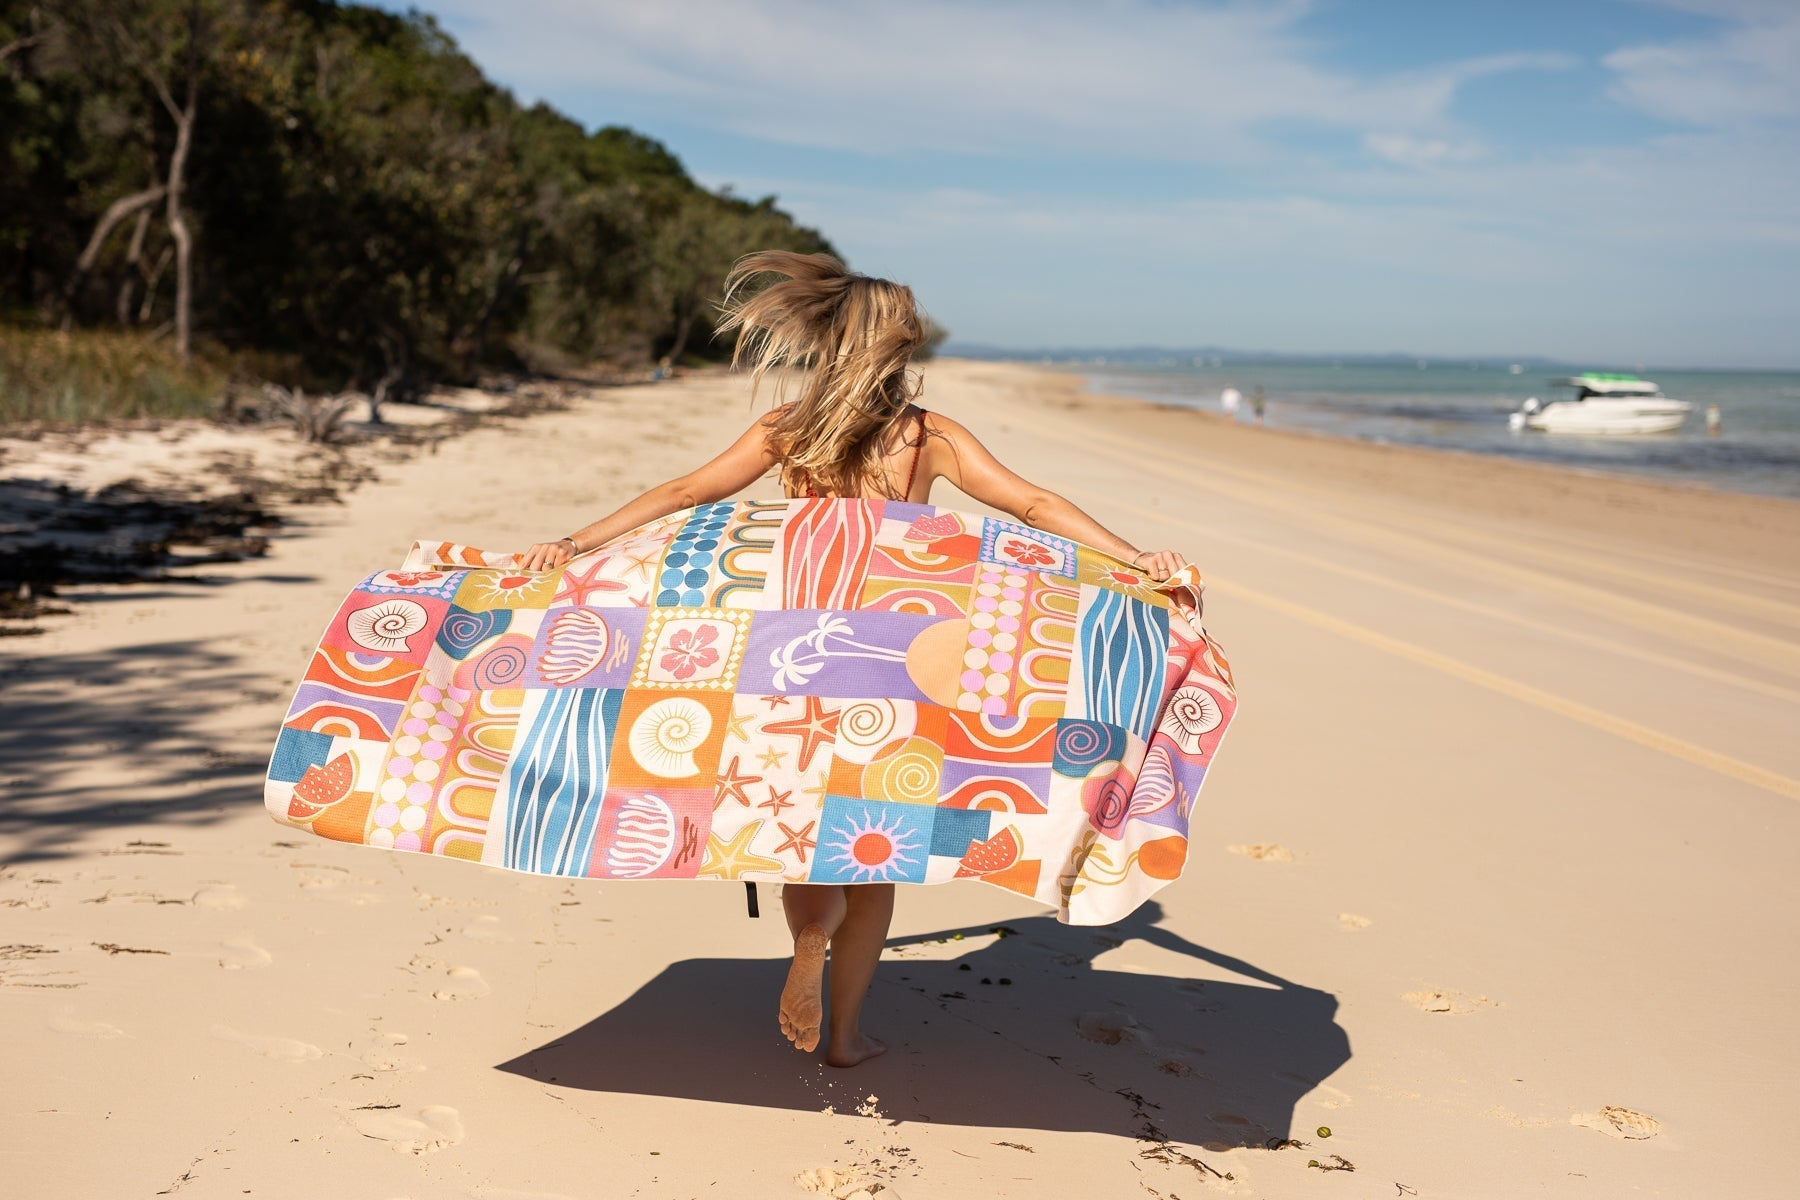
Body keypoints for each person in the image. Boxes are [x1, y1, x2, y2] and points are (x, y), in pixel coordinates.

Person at [517, 251, 1186, 1067]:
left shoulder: (788, 428)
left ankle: (808, 939)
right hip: (889, 668)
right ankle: (843, 1036)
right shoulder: (925, 435)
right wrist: (1134, 560)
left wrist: (574, 544)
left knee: (804, 837)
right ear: (897, 350)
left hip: (788, 662)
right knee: (871, 855)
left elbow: (687, 493)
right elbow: (1032, 505)